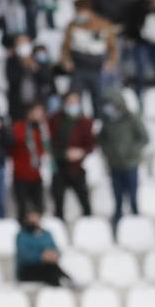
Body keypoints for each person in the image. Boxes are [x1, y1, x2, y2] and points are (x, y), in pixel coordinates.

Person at [96, 87, 148, 232]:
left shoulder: (132, 118)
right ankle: (118, 221)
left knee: (132, 194)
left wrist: (132, 152)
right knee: (117, 195)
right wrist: (109, 153)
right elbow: (102, 140)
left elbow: (144, 138)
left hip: (130, 164)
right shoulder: (107, 121)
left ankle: (137, 222)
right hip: (114, 164)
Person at [48, 90, 94, 219]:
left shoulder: (85, 121)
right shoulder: (55, 119)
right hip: (59, 167)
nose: (73, 104)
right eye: (70, 102)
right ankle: (59, 227)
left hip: (77, 168)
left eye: (75, 102)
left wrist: (81, 152)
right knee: (58, 202)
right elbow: (50, 143)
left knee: (85, 201)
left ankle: (88, 225)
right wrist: (64, 154)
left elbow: (90, 144)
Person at [10, 102, 47, 221]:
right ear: (29, 113)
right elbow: (14, 145)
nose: (40, 115)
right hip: (21, 175)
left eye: (41, 112)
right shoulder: (19, 128)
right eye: (37, 112)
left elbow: (44, 150)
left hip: (36, 175)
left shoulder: (43, 129)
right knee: (23, 209)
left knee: (39, 208)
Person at [15, 210, 70, 285]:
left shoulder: (47, 234)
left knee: (52, 268)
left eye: (36, 218)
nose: (34, 221)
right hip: (29, 269)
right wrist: (41, 256)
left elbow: (55, 249)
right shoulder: (22, 236)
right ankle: (66, 281)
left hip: (48, 266)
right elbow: (24, 255)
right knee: (52, 270)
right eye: (32, 219)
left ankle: (64, 283)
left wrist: (54, 254)